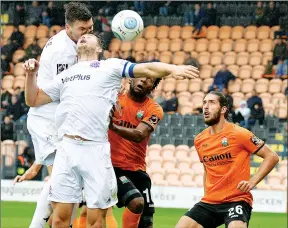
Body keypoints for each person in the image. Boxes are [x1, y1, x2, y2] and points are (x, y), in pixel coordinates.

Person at [23, 33, 199, 227]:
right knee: (58, 220)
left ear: (99, 48)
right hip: (67, 148)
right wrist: (31, 75)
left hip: (95, 150)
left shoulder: (110, 66)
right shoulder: (66, 75)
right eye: (81, 36)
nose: (83, 37)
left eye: (89, 36)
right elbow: (33, 100)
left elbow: (147, 68)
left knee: (96, 220)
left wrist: (173, 69)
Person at [14, 2, 94, 228]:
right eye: (82, 30)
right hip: (47, 118)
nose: (87, 34)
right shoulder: (62, 51)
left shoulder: (73, 42)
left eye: (90, 28)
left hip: (58, 118)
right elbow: (66, 88)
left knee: (65, 182)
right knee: (60, 181)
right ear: (68, 28)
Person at [175, 91, 279, 228]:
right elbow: (207, 169)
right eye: (204, 102)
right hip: (210, 201)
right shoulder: (199, 140)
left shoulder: (240, 133)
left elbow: (272, 156)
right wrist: (207, 193)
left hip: (237, 200)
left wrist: (253, 181)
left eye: (211, 103)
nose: (206, 107)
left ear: (223, 109)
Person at [76, 74, 164, 228]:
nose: (144, 80)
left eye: (149, 79)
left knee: (147, 222)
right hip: (113, 167)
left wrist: (113, 126)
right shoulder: (113, 99)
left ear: (153, 87)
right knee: (136, 203)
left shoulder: (154, 109)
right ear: (131, 78)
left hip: (138, 170)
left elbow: (139, 135)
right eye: (140, 76)